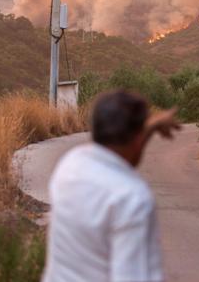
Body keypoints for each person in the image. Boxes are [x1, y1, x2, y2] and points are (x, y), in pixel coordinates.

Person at [42, 90, 180, 282]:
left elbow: (126, 146)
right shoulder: (131, 197)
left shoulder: (69, 166)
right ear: (138, 138)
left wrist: (150, 126)